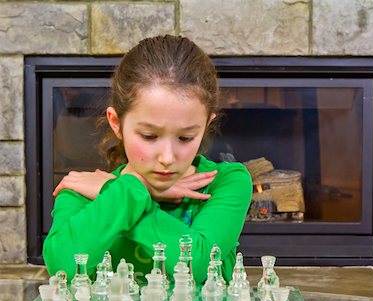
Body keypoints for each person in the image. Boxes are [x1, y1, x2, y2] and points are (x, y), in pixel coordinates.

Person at [43, 35, 253, 285]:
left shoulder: (226, 182)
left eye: (185, 138)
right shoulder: (81, 189)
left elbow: (200, 267)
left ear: (206, 125)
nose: (167, 158)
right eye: (149, 136)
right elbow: (62, 269)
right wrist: (132, 190)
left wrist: (114, 192)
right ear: (116, 124)